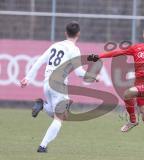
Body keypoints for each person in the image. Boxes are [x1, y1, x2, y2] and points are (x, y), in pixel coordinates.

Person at [20, 21, 97, 153]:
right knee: (60, 118)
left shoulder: (55, 45)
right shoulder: (74, 49)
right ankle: (42, 146)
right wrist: (93, 77)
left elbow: (39, 61)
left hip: (47, 84)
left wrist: (28, 78)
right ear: (78, 34)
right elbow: (79, 73)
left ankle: (43, 105)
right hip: (59, 84)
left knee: (60, 115)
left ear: (65, 33)